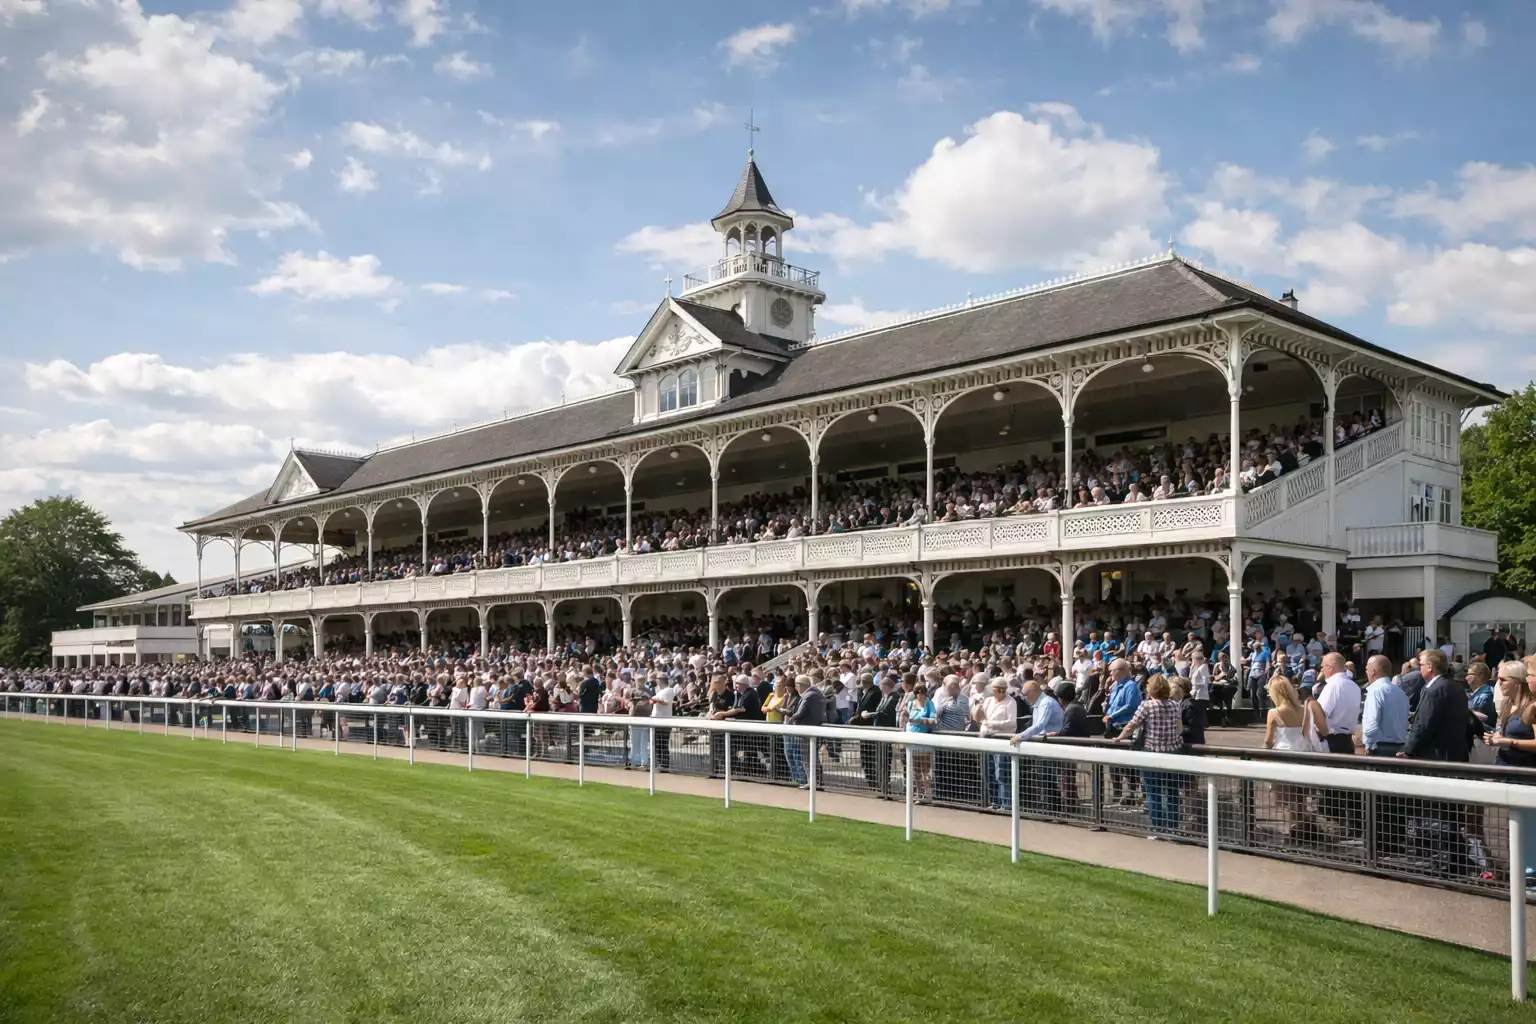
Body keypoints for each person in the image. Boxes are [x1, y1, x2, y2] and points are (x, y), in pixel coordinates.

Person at [1113, 674, 1183, 838]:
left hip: (1152, 753)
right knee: (1172, 792)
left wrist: (1120, 737)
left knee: (1154, 793)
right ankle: (1174, 829)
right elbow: (1179, 729)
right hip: (1173, 753)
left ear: (1150, 690)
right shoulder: (1175, 705)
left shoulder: (1146, 706)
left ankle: (1158, 829)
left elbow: (1131, 726)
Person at [1401, 649, 1474, 763]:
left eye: (1421, 665)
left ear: (1430, 666)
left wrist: (1408, 751)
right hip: (1456, 754)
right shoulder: (1456, 686)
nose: (1420, 668)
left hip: (1436, 756)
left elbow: (1424, 726)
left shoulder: (1434, 691)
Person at [977, 678, 1017, 810]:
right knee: (989, 772)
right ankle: (995, 802)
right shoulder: (988, 700)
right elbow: (978, 719)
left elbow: (1012, 724)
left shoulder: (1010, 702)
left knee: (1001, 773)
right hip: (986, 740)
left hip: (1001, 741)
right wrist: (978, 707)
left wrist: (993, 724)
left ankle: (1006, 804)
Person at [1358, 654, 1408, 756]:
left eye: (1367, 669)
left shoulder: (1375, 691)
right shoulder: (1400, 692)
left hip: (1379, 747)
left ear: (1373, 671)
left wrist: (1367, 744)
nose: (1366, 672)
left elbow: (1371, 722)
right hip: (1400, 747)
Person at [1315, 652, 1361, 755]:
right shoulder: (1355, 687)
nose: (1322, 670)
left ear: (1330, 668)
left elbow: (1320, 714)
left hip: (1331, 741)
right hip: (1348, 742)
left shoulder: (1332, 686)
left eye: (1323, 667)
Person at [785, 674, 826, 788]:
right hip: (813, 729)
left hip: (808, 731)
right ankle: (814, 781)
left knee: (808, 758)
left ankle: (813, 782)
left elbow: (800, 713)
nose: (796, 688)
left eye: (797, 685)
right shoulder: (815, 694)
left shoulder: (808, 695)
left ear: (800, 685)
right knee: (811, 757)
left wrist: (790, 721)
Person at [903, 682, 936, 803]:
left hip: (924, 739)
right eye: (918, 693)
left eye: (923, 693)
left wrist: (922, 720)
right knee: (915, 769)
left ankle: (928, 795)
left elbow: (933, 719)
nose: (921, 696)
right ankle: (918, 793)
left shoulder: (929, 704)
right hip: (912, 737)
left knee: (925, 768)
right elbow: (907, 719)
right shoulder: (911, 704)